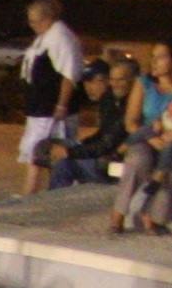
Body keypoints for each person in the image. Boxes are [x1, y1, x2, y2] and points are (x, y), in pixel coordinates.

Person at [18, 0, 84, 196]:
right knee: (36, 152)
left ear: (47, 19)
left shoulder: (61, 38)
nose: (32, 26)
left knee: (44, 151)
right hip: (39, 107)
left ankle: (33, 192)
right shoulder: (45, 37)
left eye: (35, 21)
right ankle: (33, 192)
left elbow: (68, 75)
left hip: (51, 108)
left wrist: (61, 105)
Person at [43, 58, 132, 189]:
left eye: (92, 81)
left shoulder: (128, 105)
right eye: (85, 83)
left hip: (118, 166)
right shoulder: (110, 100)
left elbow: (108, 143)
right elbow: (103, 134)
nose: (88, 87)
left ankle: (53, 202)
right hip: (109, 157)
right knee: (47, 148)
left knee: (64, 161)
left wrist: (70, 152)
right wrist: (79, 145)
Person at [116, 42, 172, 235]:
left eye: (161, 57)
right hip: (145, 138)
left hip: (169, 141)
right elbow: (130, 122)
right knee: (137, 160)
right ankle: (118, 215)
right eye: (153, 57)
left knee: (168, 164)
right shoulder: (144, 83)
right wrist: (151, 138)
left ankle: (155, 219)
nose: (154, 62)